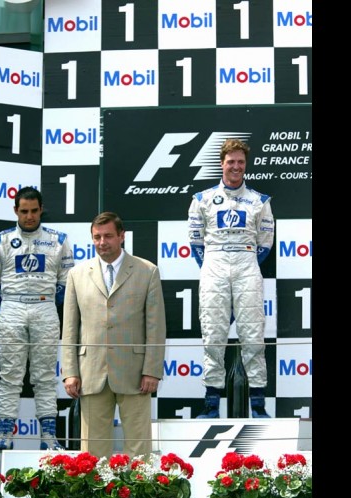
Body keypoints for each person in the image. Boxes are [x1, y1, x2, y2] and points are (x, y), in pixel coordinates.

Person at [61, 212, 166, 459]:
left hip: (135, 373)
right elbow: (69, 329)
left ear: (122, 236)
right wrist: (70, 372)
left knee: (139, 448)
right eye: (96, 237)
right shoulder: (76, 275)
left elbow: (155, 326)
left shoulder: (147, 271)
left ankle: (141, 495)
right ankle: (97, 495)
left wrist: (152, 370)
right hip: (91, 373)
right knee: (93, 453)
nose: (102, 242)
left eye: (108, 236)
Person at [187, 138, 275, 418]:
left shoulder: (259, 201)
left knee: (253, 336)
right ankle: (211, 405)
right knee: (213, 334)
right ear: (222, 164)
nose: (236, 167)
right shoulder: (202, 199)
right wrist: (213, 264)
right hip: (213, 263)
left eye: (240, 162)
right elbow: (196, 241)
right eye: (231, 162)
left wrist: (243, 261)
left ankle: (258, 406)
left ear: (245, 165)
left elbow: (265, 242)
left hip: (247, 263)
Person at [0, 186, 75, 450]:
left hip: (45, 308)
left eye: (34, 210)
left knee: (45, 376)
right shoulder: (0, 241)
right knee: (10, 375)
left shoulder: (59, 240)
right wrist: (11, 304)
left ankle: (48, 438)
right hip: (12, 308)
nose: (30, 216)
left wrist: (43, 302)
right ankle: (4, 436)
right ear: (16, 211)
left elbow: (65, 282)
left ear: (41, 209)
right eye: (24, 211)